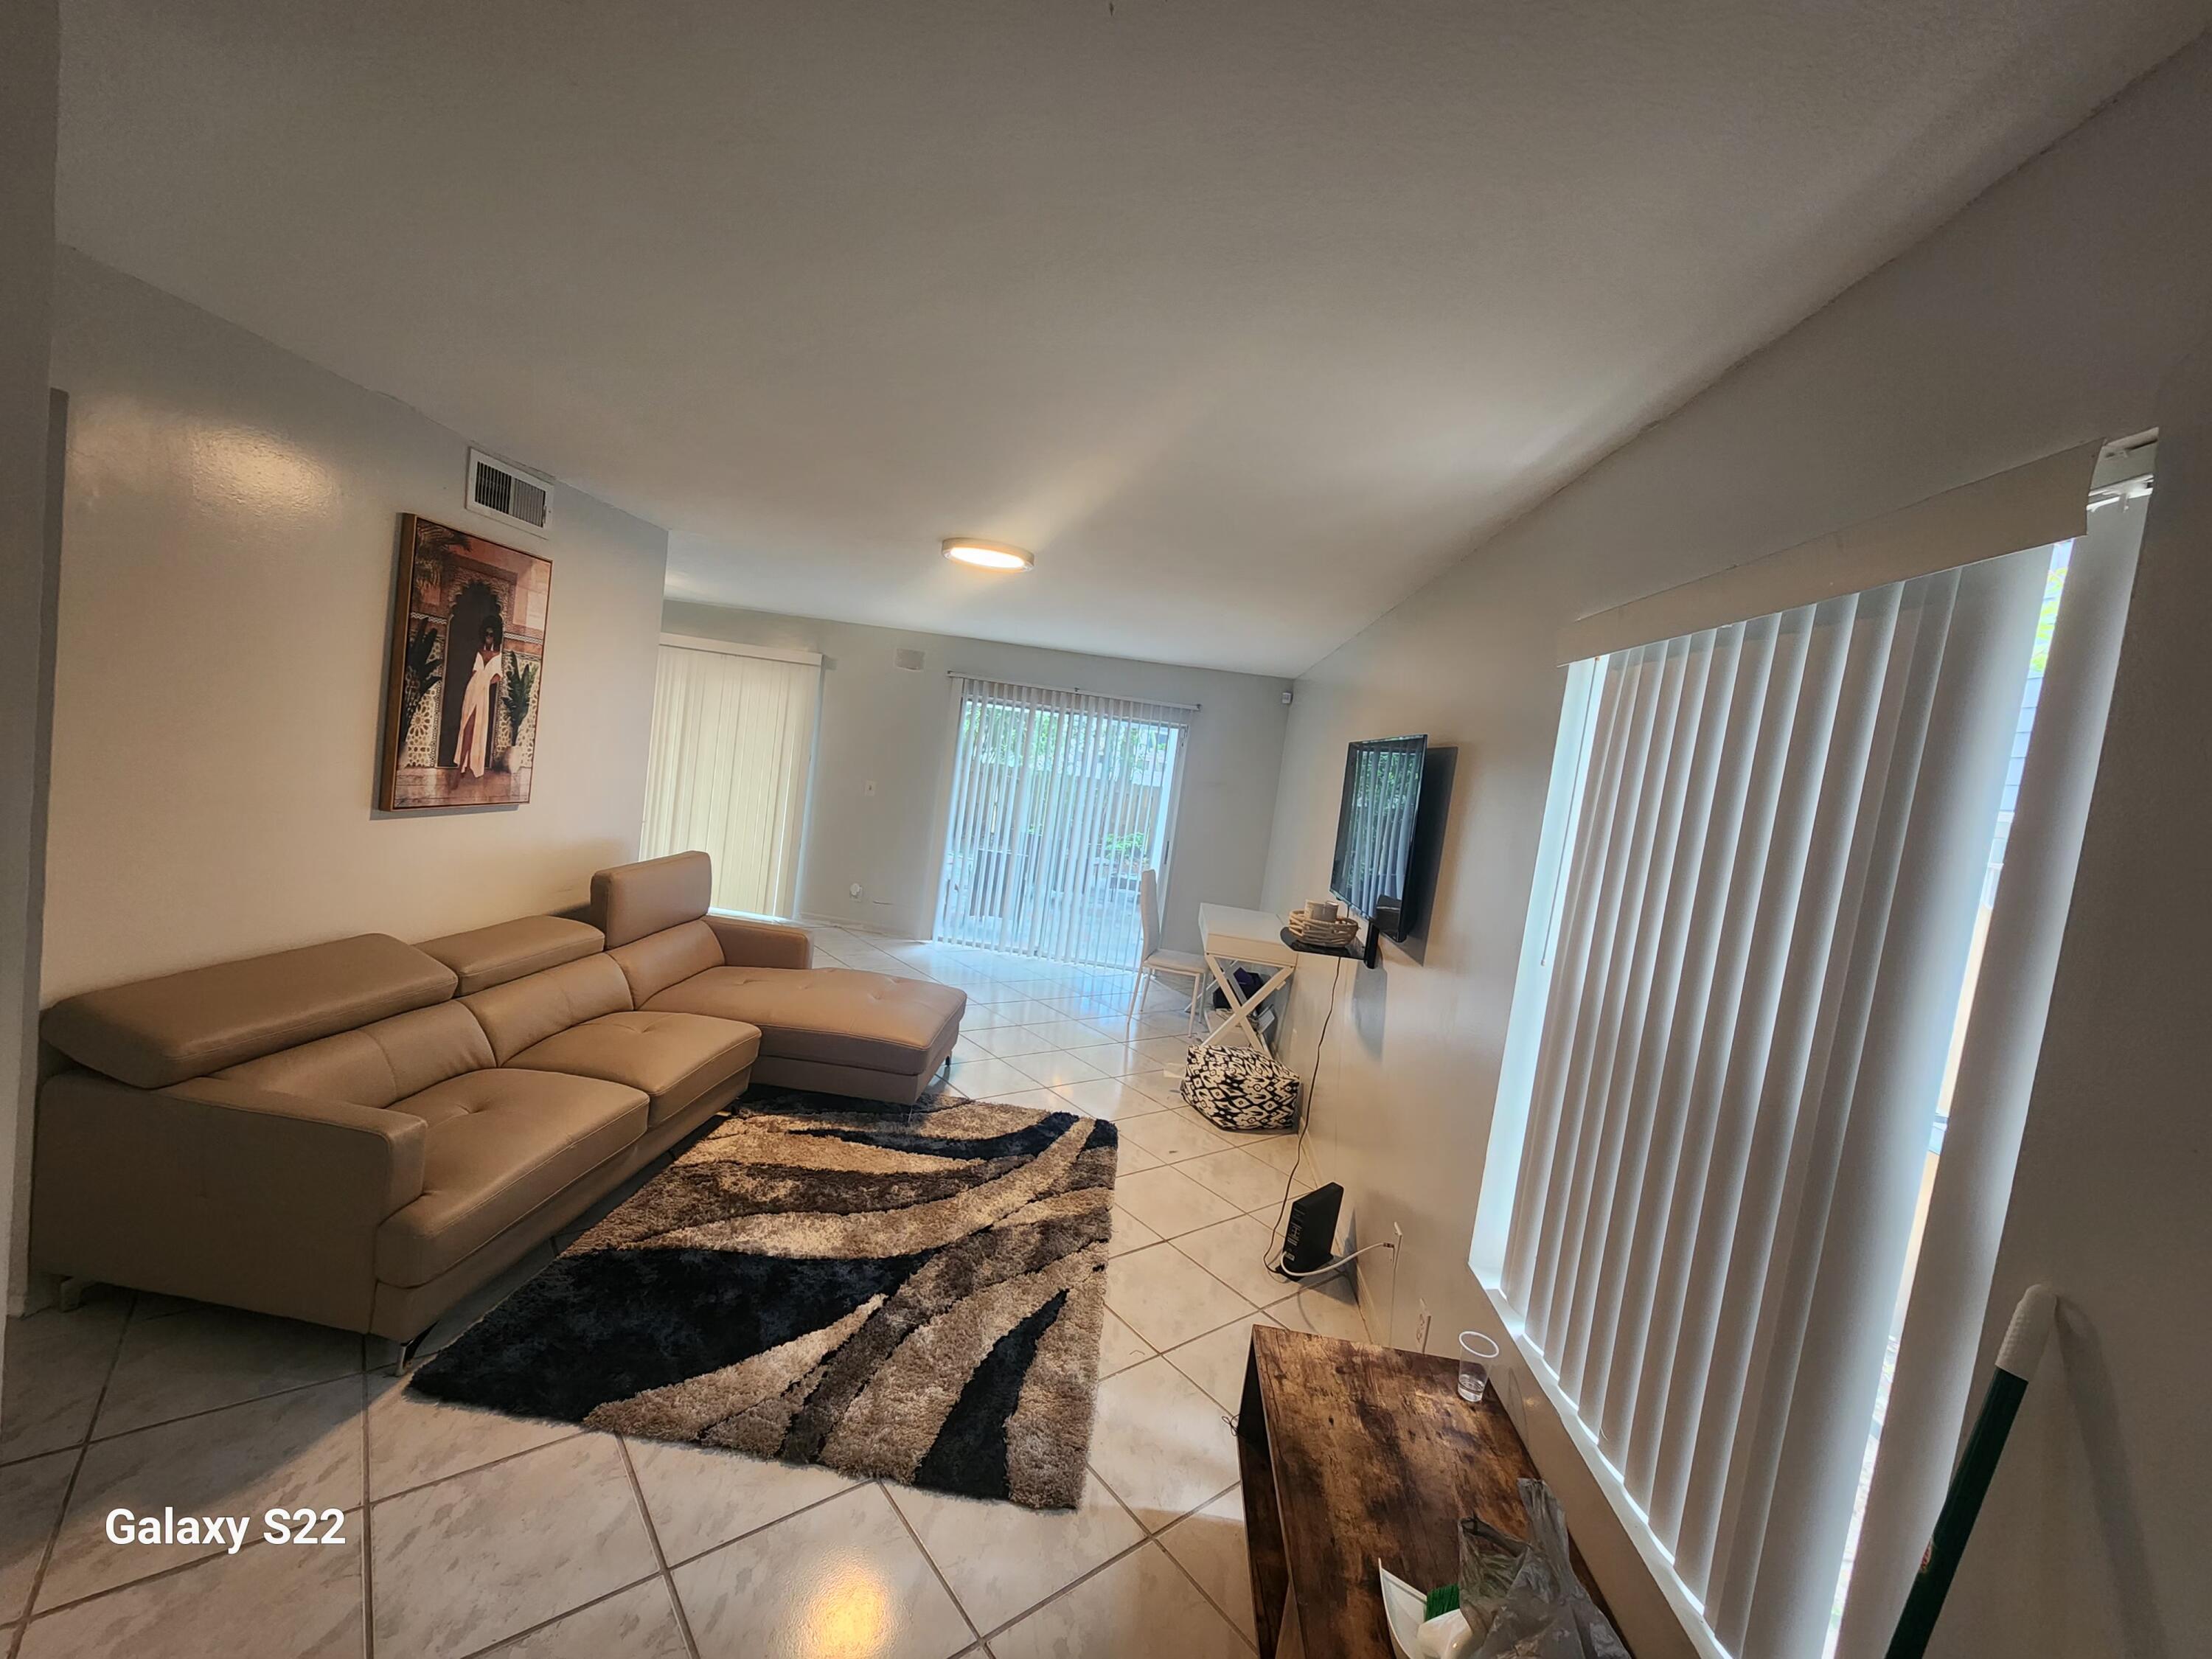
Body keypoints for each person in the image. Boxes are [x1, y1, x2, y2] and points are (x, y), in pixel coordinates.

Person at [453, 616, 504, 777]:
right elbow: (474, 672)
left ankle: (472, 765)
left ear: (495, 637)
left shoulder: (498, 655)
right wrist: (476, 684)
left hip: (483, 693)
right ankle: (461, 766)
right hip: (472, 690)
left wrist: (486, 682)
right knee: (467, 725)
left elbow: (499, 676)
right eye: (487, 634)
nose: (489, 637)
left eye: (491, 635)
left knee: (478, 728)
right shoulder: (479, 652)